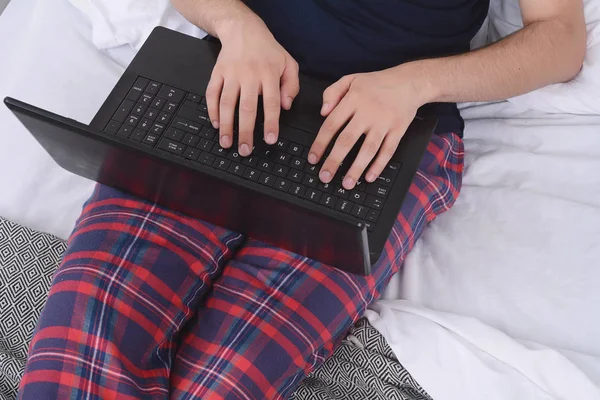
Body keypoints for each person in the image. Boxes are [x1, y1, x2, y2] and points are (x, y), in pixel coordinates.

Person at [19, 0, 585, 399]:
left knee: (225, 382)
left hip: (387, 132)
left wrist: (417, 84)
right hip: (224, 87)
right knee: (81, 350)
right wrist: (236, 24)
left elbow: (559, 39)